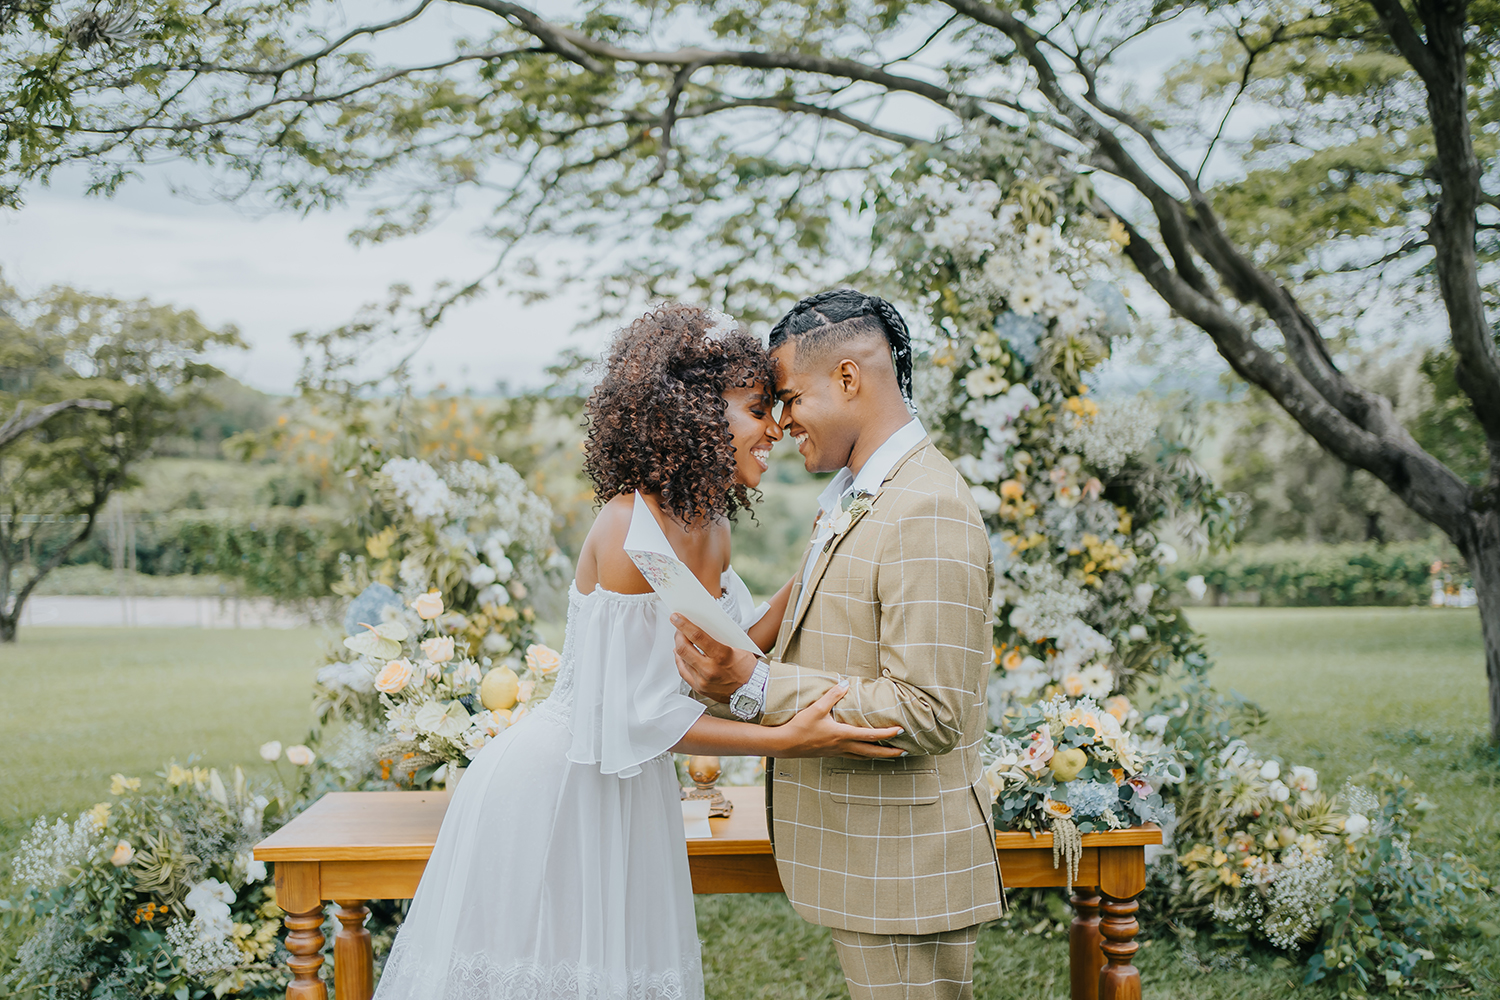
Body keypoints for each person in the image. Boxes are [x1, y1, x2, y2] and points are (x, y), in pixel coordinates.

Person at [373, 303, 901, 1000]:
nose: (775, 426)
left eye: (775, 408)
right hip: (559, 786)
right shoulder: (629, 528)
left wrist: (824, 553)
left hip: (631, 788)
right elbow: (630, 718)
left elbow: (736, 645)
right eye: (755, 408)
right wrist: (787, 740)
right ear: (695, 416)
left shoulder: (710, 524)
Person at [673, 289, 1005, 1000]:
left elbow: (930, 708)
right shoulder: (864, 493)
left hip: (906, 867)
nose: (782, 419)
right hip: (872, 858)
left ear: (849, 379)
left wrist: (757, 686)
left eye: (789, 397)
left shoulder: (929, 507)